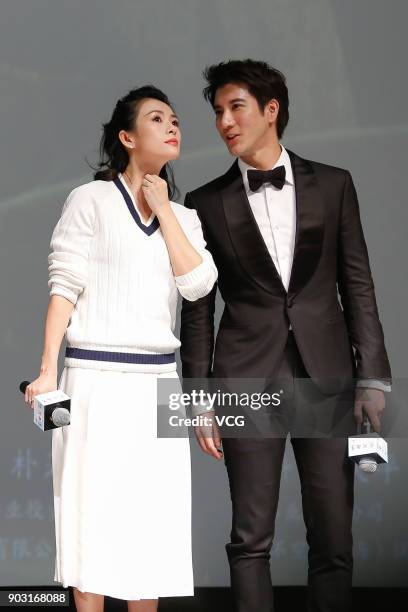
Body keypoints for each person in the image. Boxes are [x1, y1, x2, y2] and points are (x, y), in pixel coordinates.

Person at [180, 59, 391, 612]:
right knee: (249, 540)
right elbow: (198, 310)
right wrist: (197, 398)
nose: (224, 121)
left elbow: (358, 285)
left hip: (326, 376)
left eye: (236, 108)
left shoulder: (335, 184)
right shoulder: (204, 203)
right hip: (244, 378)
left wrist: (373, 378)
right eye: (217, 112)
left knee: (333, 541)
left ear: (271, 110)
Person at [24, 85, 218, 612]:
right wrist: (48, 371)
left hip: (159, 383)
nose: (173, 126)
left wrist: (165, 210)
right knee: (92, 518)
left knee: (150, 526)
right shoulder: (90, 200)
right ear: (128, 138)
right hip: (93, 379)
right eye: (158, 119)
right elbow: (64, 284)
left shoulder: (187, 218)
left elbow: (198, 284)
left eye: (176, 119)